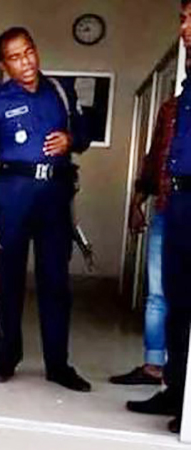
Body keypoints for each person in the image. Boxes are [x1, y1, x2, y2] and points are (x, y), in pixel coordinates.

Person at [0, 27, 92, 392]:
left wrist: (72, 139)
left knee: (55, 280)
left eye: (29, 52)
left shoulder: (60, 92)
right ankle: (6, 358)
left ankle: (58, 364)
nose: (26, 62)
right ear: (3, 64)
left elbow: (83, 135)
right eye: (16, 57)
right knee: (7, 279)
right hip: (11, 195)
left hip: (54, 193)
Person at [125, 0, 191, 433]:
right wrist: (143, 194)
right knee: (176, 303)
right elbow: (157, 157)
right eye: (182, 19)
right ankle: (174, 391)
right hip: (176, 202)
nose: (183, 28)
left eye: (188, 18)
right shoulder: (182, 98)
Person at [109, 99, 175, 387]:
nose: (188, 59)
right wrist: (137, 203)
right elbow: (155, 159)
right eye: (186, 52)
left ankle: (180, 375)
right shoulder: (170, 108)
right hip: (165, 208)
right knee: (157, 293)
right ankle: (154, 366)